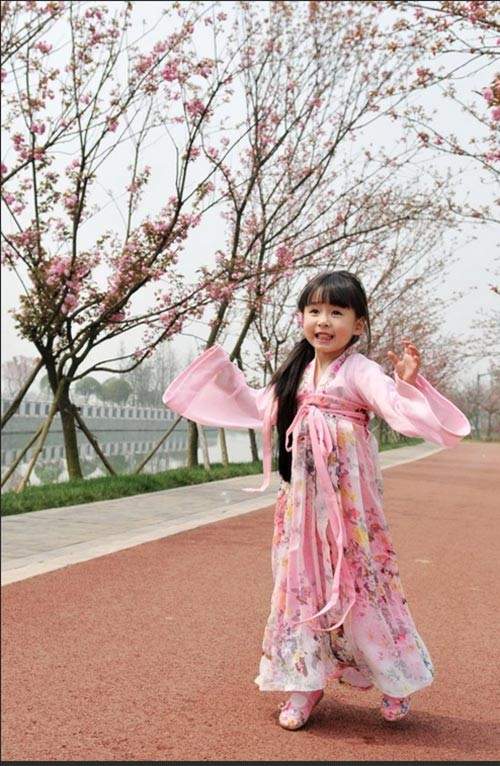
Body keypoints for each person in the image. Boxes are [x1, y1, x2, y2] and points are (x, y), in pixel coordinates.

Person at [162, 270, 470, 730]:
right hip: (301, 509)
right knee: (301, 585)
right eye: (314, 311)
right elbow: (257, 407)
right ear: (301, 318)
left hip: (350, 511)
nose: (323, 321)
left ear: (358, 324)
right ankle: (303, 683)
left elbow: (396, 408)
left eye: (336, 312)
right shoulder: (294, 375)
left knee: (362, 583)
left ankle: (395, 680)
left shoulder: (361, 372)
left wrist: (407, 384)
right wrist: (221, 376)